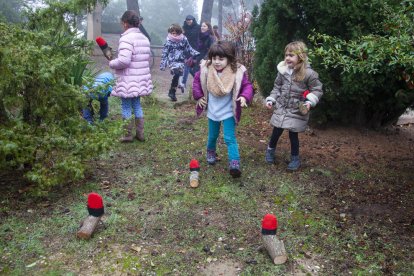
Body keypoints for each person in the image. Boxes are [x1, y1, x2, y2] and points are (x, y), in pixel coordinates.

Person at [192, 41, 254, 178]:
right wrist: (199, 96)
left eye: (221, 59)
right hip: (213, 111)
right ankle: (211, 151)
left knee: (229, 138)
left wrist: (244, 97)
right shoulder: (206, 69)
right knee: (212, 135)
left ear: (229, 58)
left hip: (228, 112)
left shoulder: (236, 72)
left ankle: (234, 163)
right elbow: (197, 82)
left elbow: (247, 86)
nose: (217, 62)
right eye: (214, 58)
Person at [264, 41, 323, 170]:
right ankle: (270, 150)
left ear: (300, 56)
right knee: (277, 130)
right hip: (282, 107)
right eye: (286, 55)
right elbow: (277, 87)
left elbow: (317, 89)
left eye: (291, 55)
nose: (287, 58)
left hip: (296, 109)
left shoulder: (308, 74)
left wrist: (309, 102)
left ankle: (295, 158)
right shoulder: (283, 71)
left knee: (293, 134)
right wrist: (271, 99)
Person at [109, 10, 153, 142]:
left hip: (128, 80)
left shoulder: (126, 38)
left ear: (125, 23)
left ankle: (127, 135)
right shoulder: (144, 38)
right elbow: (146, 59)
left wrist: (112, 63)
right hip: (140, 79)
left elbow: (123, 61)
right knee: (137, 105)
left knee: (126, 106)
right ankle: (140, 134)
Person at [160, 24, 199, 101]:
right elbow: (165, 52)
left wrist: (195, 53)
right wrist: (163, 64)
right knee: (177, 73)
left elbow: (189, 48)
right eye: (172, 33)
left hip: (181, 60)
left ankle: (172, 91)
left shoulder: (184, 39)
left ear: (179, 32)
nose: (174, 34)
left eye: (176, 33)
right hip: (172, 60)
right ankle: (173, 92)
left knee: (179, 74)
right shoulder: (168, 40)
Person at [181, 15, 200, 90]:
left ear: (193, 20)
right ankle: (183, 83)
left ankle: (198, 80)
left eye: (190, 20)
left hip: (195, 49)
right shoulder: (184, 28)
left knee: (192, 68)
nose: (188, 21)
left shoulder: (198, 27)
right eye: (187, 20)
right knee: (187, 66)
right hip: (186, 50)